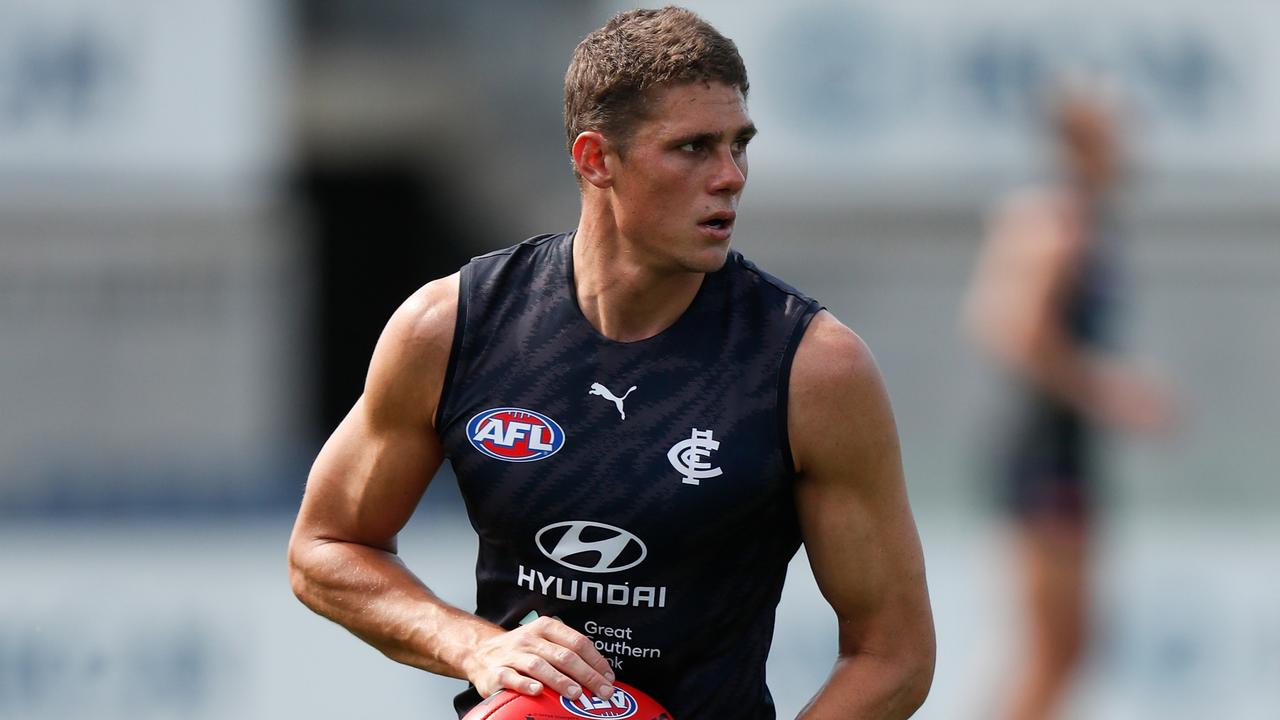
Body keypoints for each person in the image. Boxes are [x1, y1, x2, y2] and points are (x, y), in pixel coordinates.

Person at [288, 7, 935, 718]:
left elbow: (893, 655)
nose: (730, 176)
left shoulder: (811, 369)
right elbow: (326, 546)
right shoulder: (452, 327)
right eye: (692, 148)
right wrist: (474, 645)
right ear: (596, 159)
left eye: (739, 144)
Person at [963, 86, 1174, 720]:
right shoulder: (1054, 222)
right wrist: (1109, 389)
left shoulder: (1084, 219)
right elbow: (1009, 327)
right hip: (1043, 454)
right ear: (1085, 142)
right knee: (1051, 649)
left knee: (1072, 648)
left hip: (1068, 455)